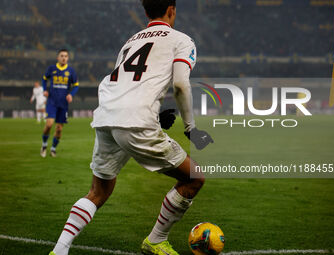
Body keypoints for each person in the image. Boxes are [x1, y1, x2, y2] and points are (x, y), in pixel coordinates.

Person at [49, 0, 213, 254]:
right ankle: (156, 240)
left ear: (146, 12)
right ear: (172, 10)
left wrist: (155, 117)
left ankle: (59, 250)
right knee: (193, 177)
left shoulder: (130, 41)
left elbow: (126, 86)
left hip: (106, 117)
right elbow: (181, 85)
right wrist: (191, 128)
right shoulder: (181, 40)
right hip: (135, 122)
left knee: (98, 191)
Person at [40, 49, 79, 158]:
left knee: (59, 129)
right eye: (61, 56)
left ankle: (53, 149)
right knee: (49, 125)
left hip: (63, 104)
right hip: (52, 102)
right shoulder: (51, 69)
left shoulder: (71, 71)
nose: (63, 58)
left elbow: (76, 85)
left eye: (66, 56)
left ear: (68, 58)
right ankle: (44, 146)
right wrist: (44, 89)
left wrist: (71, 94)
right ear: (58, 57)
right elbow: (44, 79)